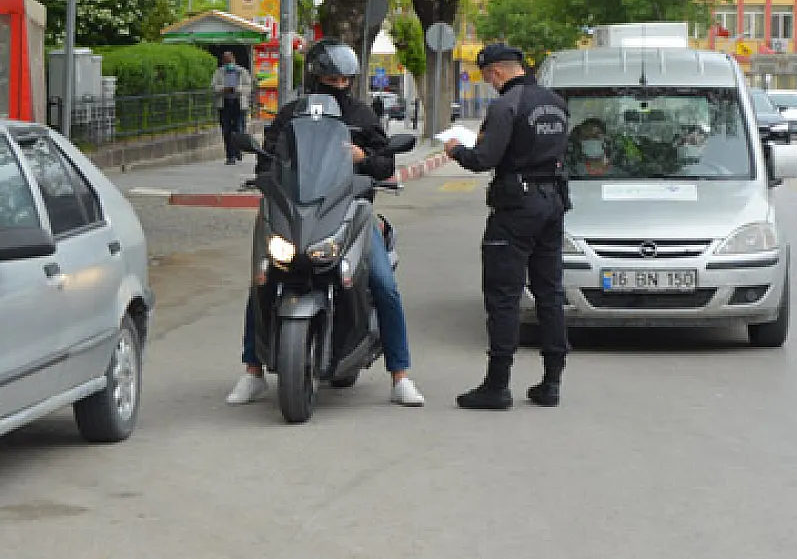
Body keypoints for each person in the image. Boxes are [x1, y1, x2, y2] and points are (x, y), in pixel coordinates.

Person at [226, 37, 425, 407]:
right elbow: (267, 159)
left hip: (351, 212)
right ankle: (252, 371)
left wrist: (363, 156)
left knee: (383, 283)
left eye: (343, 80)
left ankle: (401, 376)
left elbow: (385, 163)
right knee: (264, 279)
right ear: (314, 76)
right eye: (330, 80)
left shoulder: (363, 116)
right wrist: (265, 175)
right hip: (298, 212)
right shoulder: (289, 115)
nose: (338, 87)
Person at [443, 43, 572, 410]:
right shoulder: (556, 103)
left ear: (496, 71)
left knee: (503, 296)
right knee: (549, 293)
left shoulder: (506, 106)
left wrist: (456, 151)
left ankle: (497, 385)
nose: (487, 83)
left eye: (486, 76)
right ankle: (551, 382)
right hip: (553, 203)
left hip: (516, 208)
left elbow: (484, 159)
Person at [211, 51, 253, 165]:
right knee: (227, 130)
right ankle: (230, 155)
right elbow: (214, 87)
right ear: (223, 61)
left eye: (230, 60)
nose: (228, 63)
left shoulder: (242, 72)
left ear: (234, 59)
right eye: (226, 60)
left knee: (239, 129)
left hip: (239, 104)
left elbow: (248, 88)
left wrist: (237, 89)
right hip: (224, 104)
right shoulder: (219, 72)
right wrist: (224, 89)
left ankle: (238, 151)